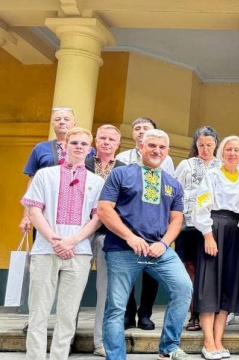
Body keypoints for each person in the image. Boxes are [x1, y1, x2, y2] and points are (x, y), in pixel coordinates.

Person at [99, 129, 193, 360]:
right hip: (123, 249)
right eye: (152, 145)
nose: (156, 151)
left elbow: (177, 219)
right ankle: (116, 357)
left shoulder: (173, 183)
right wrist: (129, 237)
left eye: (162, 147)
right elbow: (104, 209)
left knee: (183, 288)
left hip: (159, 250)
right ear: (141, 146)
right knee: (116, 307)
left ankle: (169, 347)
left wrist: (164, 243)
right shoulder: (120, 174)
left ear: (168, 152)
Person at [21, 127, 104, 360]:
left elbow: (97, 217)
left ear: (90, 150)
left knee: (68, 314)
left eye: (84, 144)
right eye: (74, 142)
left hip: (80, 253)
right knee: (38, 311)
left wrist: (73, 241)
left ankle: (59, 357)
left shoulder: (97, 182)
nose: (79, 147)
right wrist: (53, 239)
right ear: (65, 146)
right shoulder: (45, 175)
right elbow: (34, 210)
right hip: (45, 250)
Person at [192, 136, 239, 359]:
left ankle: (218, 339)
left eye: (236, 150)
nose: (232, 153)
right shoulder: (212, 175)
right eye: (229, 149)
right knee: (209, 284)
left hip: (237, 232)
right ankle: (208, 342)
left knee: (229, 284)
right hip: (214, 228)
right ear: (222, 152)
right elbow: (201, 205)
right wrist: (208, 235)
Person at [115, 117, 173, 330]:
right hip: (129, 222)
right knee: (128, 272)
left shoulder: (165, 158)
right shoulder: (122, 158)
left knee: (151, 272)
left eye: (146, 128)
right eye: (137, 129)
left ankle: (146, 314)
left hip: (156, 225)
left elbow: (170, 191)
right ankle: (128, 314)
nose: (141, 131)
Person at [174, 126, 221, 332]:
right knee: (190, 269)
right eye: (201, 145)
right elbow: (175, 191)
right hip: (188, 225)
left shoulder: (222, 165)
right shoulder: (186, 164)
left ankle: (210, 313)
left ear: (216, 145)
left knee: (208, 271)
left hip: (213, 225)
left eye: (209, 145)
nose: (205, 149)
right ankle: (193, 313)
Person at [85, 125, 126, 357]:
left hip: (107, 234)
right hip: (80, 232)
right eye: (102, 138)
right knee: (75, 286)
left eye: (112, 139)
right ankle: (67, 337)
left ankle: (100, 342)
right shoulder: (83, 164)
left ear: (118, 143)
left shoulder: (124, 169)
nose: (107, 142)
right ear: (95, 140)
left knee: (105, 289)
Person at [20, 107, 95, 233]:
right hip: (44, 209)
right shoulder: (41, 148)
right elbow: (32, 182)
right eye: (57, 119)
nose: (62, 122)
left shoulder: (87, 149)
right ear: (52, 124)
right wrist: (26, 216)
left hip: (77, 210)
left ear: (74, 123)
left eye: (66, 119)